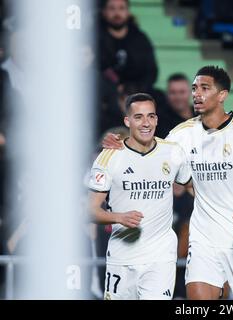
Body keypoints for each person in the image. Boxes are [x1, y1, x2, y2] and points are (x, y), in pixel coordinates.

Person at [103, 66, 233, 300]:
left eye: (204, 88)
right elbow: (151, 154)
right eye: (195, 88)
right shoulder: (182, 134)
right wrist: (120, 143)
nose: (196, 93)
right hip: (203, 238)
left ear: (222, 95)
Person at [88, 93, 191, 299]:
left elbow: (192, 187)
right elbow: (90, 210)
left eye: (151, 116)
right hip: (122, 256)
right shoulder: (109, 156)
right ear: (127, 121)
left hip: (160, 256)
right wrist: (119, 217)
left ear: (157, 119)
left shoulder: (173, 152)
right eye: (139, 117)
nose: (146, 123)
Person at [99, 0, 158, 90]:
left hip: (135, 91)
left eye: (121, 8)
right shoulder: (95, 39)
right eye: (112, 8)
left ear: (128, 12)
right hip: (105, 93)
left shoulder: (140, 39)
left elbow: (151, 71)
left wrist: (135, 89)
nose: (117, 13)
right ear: (104, 12)